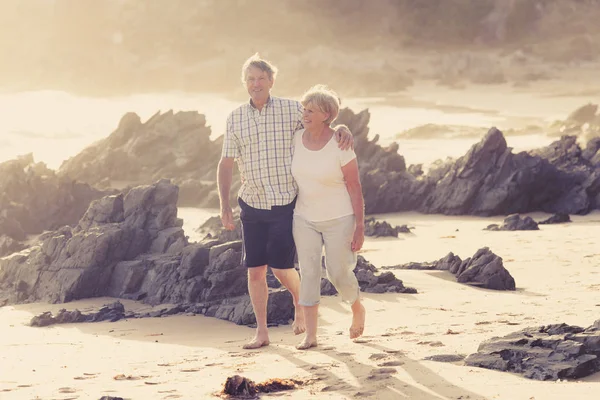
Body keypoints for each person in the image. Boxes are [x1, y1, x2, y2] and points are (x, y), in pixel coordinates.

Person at [217, 54, 353, 350]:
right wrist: (225, 205)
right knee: (255, 271)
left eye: (261, 79)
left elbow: (320, 124)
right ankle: (262, 332)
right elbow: (226, 163)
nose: (256, 84)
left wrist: (342, 129)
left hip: (284, 202)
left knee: (280, 268)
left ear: (271, 81)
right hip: (251, 203)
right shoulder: (235, 117)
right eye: (250, 79)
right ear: (245, 83)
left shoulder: (292, 110)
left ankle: (298, 301)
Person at [291, 84, 366, 350]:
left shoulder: (340, 143)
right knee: (309, 272)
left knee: (337, 271)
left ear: (326, 114)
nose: (305, 114)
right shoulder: (295, 137)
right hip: (304, 218)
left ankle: (356, 307)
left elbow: (354, 185)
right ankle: (311, 335)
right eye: (304, 109)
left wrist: (360, 226)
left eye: (311, 110)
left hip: (340, 218)